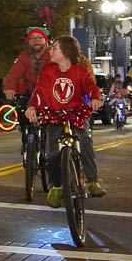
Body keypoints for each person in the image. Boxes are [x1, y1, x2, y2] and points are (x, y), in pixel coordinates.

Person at [25, 35, 103, 207]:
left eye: (54, 48)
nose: (50, 51)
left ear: (66, 52)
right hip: (54, 115)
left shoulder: (81, 71)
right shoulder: (48, 71)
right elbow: (39, 93)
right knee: (51, 153)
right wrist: (32, 108)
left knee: (85, 142)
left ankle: (92, 180)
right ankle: (57, 187)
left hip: (76, 114)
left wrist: (95, 99)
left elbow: (92, 88)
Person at [5, 26, 53, 149]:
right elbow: (14, 74)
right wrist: (9, 88)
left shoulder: (53, 53)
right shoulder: (24, 55)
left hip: (50, 92)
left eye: (39, 38)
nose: (35, 41)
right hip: (29, 92)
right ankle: (26, 140)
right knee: (22, 112)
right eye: (32, 38)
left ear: (45, 40)